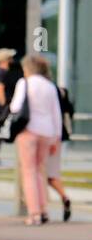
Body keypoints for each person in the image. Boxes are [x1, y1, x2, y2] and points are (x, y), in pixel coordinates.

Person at [10, 53, 63, 226]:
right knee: (41, 171)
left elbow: (15, 107)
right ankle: (43, 209)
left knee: (28, 172)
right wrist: (56, 138)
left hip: (29, 130)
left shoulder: (24, 83)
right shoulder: (50, 86)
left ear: (28, 68)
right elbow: (57, 114)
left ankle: (34, 213)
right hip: (47, 132)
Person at [48, 82, 75, 221]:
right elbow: (70, 111)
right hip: (57, 138)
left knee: (41, 174)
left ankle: (37, 209)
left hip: (47, 135)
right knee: (52, 173)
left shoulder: (48, 91)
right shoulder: (60, 91)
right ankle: (64, 197)